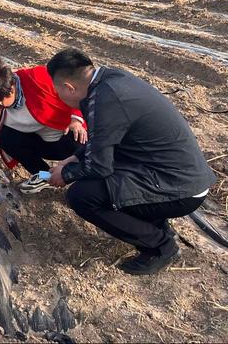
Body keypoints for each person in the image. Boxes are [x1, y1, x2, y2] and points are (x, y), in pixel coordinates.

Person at [47, 48, 216, 275]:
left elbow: (98, 166)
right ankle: (157, 226)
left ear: (69, 87)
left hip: (179, 188)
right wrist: (73, 157)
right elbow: (104, 138)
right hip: (180, 176)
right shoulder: (110, 81)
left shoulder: (105, 100)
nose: (59, 98)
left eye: (58, 91)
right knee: (107, 179)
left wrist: (64, 175)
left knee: (82, 196)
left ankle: (160, 246)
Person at [0, 55, 86, 193]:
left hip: (68, 139)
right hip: (42, 144)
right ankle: (46, 176)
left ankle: (78, 177)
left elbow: (78, 88)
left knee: (80, 140)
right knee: (6, 138)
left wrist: (76, 119)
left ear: (11, 89)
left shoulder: (38, 77)